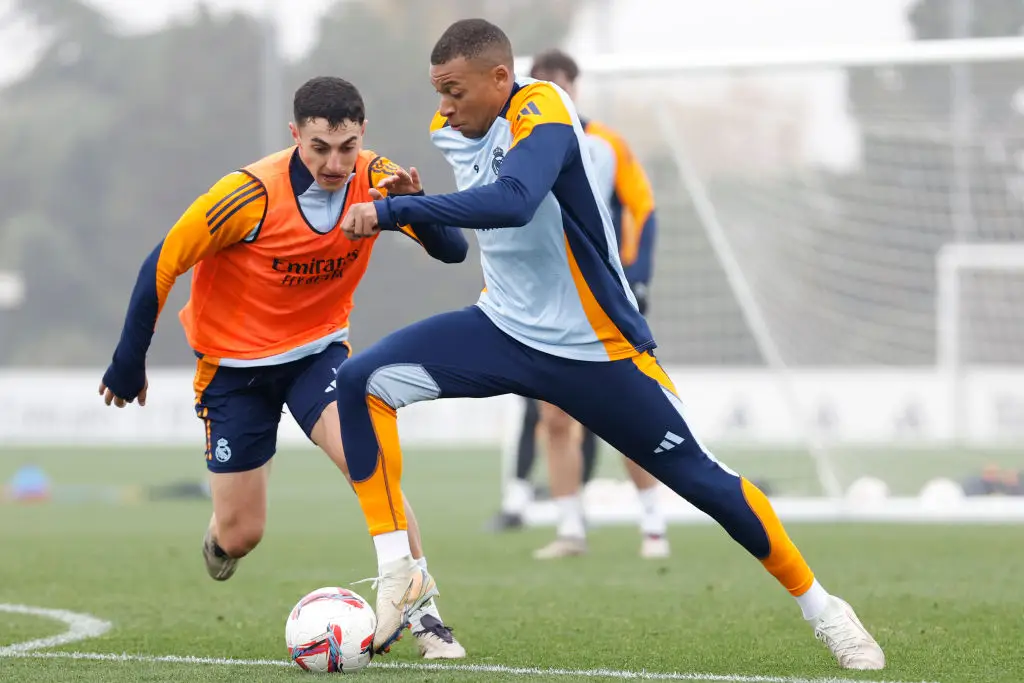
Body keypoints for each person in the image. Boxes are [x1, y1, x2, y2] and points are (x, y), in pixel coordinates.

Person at [335, 19, 886, 671]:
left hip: (595, 346)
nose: (445, 106)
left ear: (500, 78)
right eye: (439, 92)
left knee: (705, 482)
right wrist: (418, 203)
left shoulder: (543, 108)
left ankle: (826, 609)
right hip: (502, 328)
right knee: (361, 380)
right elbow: (459, 247)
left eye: (455, 90)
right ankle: (402, 570)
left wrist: (397, 212)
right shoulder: (448, 128)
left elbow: (515, 201)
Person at [97, 76, 468, 660]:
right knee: (242, 534)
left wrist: (411, 206)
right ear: (295, 135)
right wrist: (127, 361)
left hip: (317, 355)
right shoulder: (247, 195)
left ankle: (425, 617)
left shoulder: (376, 177)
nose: (334, 162)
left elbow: (452, 251)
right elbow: (161, 263)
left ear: (362, 134)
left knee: (369, 463)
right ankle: (224, 529)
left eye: (346, 146)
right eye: (319, 147)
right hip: (233, 369)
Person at [488, 48, 669, 563]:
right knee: (555, 418)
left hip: (604, 297)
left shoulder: (606, 143)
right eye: (542, 81)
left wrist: (639, 278)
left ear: (574, 86)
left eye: (561, 81)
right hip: (549, 300)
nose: (551, 89)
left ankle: (654, 524)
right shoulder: (510, 142)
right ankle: (570, 529)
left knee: (628, 412)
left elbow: (643, 207)